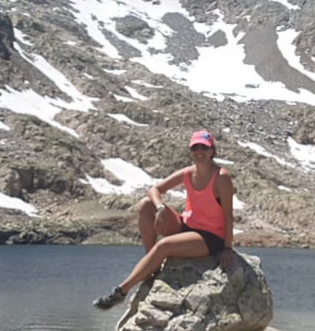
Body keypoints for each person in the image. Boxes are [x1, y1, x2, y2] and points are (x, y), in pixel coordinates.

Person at [93, 130, 234, 310]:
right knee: (145, 205)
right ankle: (152, 265)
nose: (200, 151)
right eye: (195, 147)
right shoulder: (188, 173)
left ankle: (121, 291)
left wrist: (228, 248)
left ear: (212, 150)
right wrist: (160, 207)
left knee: (164, 245)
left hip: (210, 237)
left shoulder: (221, 177)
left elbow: (228, 216)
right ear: (191, 151)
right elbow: (154, 190)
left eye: (204, 147)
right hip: (187, 226)